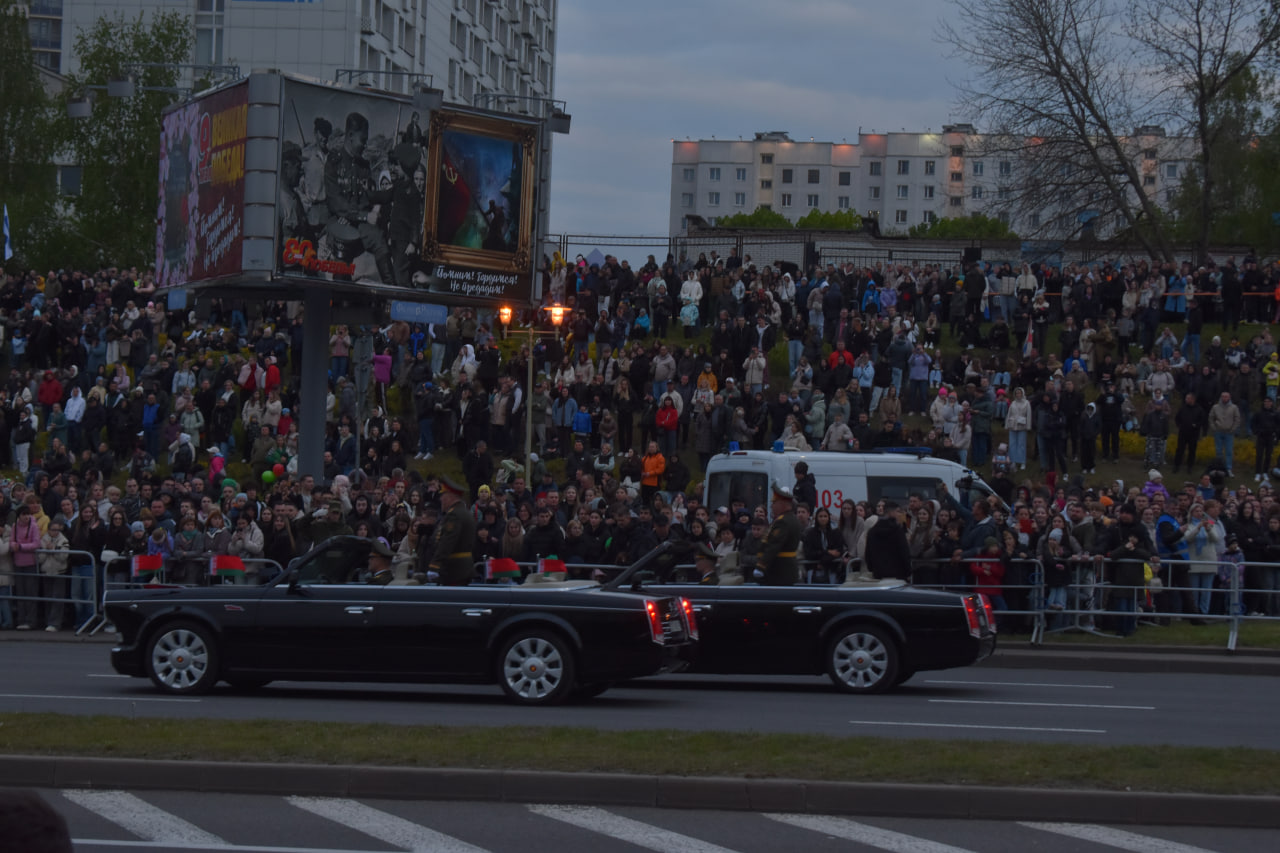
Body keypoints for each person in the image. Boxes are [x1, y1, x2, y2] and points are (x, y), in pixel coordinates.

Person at [428, 477, 476, 585]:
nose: (440, 499)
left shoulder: (454, 515)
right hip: (461, 569)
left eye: (443, 495)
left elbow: (447, 541)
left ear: (450, 496)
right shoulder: (464, 512)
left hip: (454, 570)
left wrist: (435, 565)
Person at [757, 484, 802, 585]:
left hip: (779, 571)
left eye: (774, 502)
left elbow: (774, 545)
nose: (772, 506)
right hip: (785, 570)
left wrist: (761, 565)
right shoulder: (790, 519)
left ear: (783, 504)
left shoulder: (783, 522)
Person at [864, 502, 912, 580]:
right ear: (891, 512)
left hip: (878, 574)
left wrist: (872, 568)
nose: (900, 514)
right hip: (898, 574)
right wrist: (908, 571)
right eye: (898, 511)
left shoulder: (872, 531)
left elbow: (868, 553)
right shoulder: (897, 531)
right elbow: (904, 551)